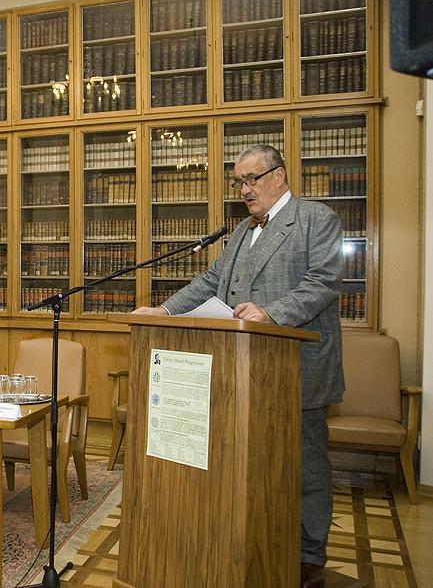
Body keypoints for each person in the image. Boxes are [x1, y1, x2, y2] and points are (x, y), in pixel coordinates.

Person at [132, 144, 343, 588]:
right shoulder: (243, 231)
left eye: (252, 179)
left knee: (305, 468)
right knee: (249, 465)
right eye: (239, 182)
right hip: (239, 372)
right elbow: (211, 282)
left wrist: (272, 313)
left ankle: (309, 556)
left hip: (297, 370)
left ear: (279, 176)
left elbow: (323, 282)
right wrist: (166, 311)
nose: (245, 190)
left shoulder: (315, 219)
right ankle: (252, 542)